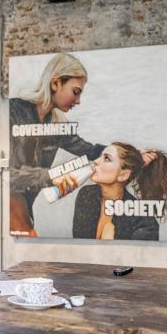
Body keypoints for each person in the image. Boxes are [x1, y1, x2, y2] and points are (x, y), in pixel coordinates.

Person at [9, 53, 105, 236]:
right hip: (8, 208)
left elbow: (89, 150)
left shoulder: (57, 125)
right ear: (55, 83)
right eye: (75, 92)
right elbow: (6, 175)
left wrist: (131, 154)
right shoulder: (13, 110)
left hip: (26, 210)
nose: (78, 101)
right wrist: (52, 177)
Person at [73, 142, 167, 241]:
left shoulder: (144, 221)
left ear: (123, 175)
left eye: (106, 158)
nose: (95, 161)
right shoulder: (86, 194)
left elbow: (140, 256)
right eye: (100, 156)